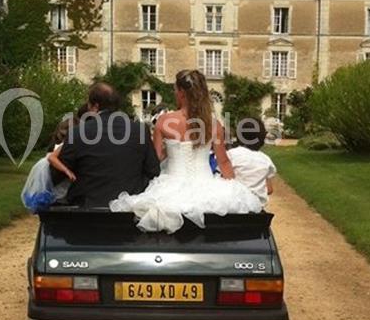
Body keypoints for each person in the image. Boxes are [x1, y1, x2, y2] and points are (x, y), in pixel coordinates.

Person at [110, 69, 263, 233]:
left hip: (170, 186)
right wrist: (235, 188)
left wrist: (171, 149)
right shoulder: (214, 124)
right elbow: (223, 161)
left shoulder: (165, 121)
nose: (175, 93)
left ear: (182, 92)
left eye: (175, 90)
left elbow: (156, 159)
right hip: (207, 187)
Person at [53, 82, 161, 207]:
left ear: (95, 106)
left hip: (87, 206)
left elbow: (60, 172)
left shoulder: (77, 132)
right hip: (129, 205)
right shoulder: (140, 130)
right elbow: (153, 171)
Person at [228, 117, 277, 205]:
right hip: (257, 209)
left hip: (234, 207)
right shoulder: (265, 159)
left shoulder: (230, 155)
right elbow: (269, 190)